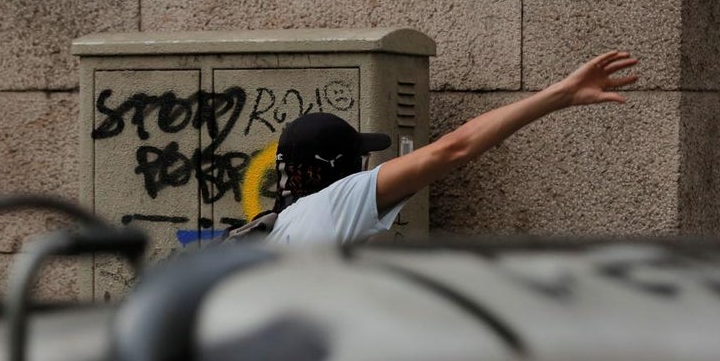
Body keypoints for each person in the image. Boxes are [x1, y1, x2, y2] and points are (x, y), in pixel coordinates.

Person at [243, 50, 639, 245]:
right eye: (359, 160)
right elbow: (454, 148)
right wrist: (560, 94)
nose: (366, 169)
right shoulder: (333, 206)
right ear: (335, 166)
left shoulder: (284, 227)